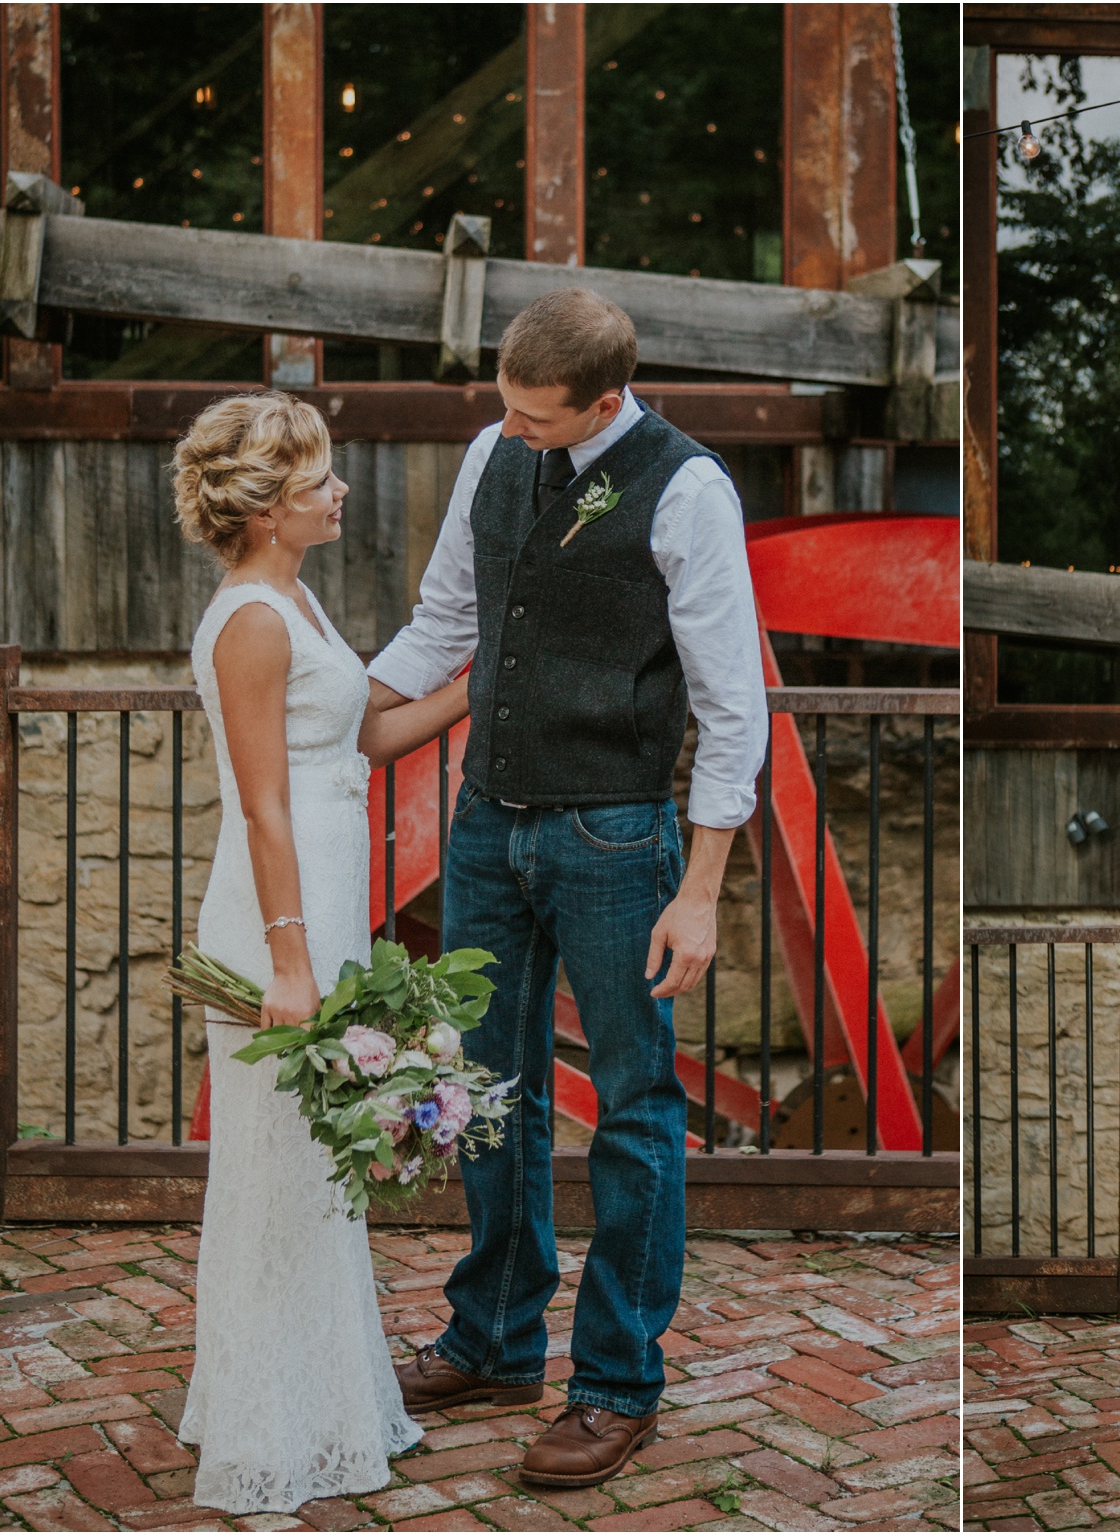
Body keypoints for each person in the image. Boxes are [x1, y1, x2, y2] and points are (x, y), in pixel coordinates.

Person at [363, 287, 769, 1487]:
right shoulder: (495, 449)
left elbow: (731, 701)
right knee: (487, 1086)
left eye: (538, 417)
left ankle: (614, 1383)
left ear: (604, 399)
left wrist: (698, 887)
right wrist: (336, 712)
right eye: (506, 406)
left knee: (638, 1107)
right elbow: (448, 618)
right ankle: (491, 1338)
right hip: (488, 822)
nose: (513, 429)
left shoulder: (687, 486)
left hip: (615, 834)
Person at [173, 391, 472, 1514]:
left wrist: (464, 691)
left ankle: (322, 1399)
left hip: (320, 912)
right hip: (272, 919)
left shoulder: (292, 597)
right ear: (263, 510)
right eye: (316, 483)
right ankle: (263, 1429)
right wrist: (291, 964)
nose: (337, 491)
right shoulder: (250, 618)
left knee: (314, 1173)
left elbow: (361, 740)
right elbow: (263, 808)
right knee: (275, 1173)